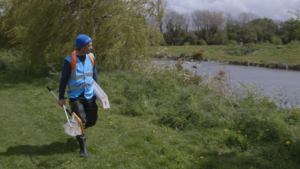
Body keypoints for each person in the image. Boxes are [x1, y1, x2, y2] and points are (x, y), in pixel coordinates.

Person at [58, 34, 98, 157]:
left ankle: (82, 129)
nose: (91, 48)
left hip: (90, 93)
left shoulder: (91, 57)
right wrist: (61, 97)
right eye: (89, 45)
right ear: (81, 47)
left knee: (92, 120)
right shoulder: (69, 60)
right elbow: (64, 79)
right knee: (80, 121)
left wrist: (98, 92)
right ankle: (82, 148)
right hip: (76, 95)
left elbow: (94, 75)